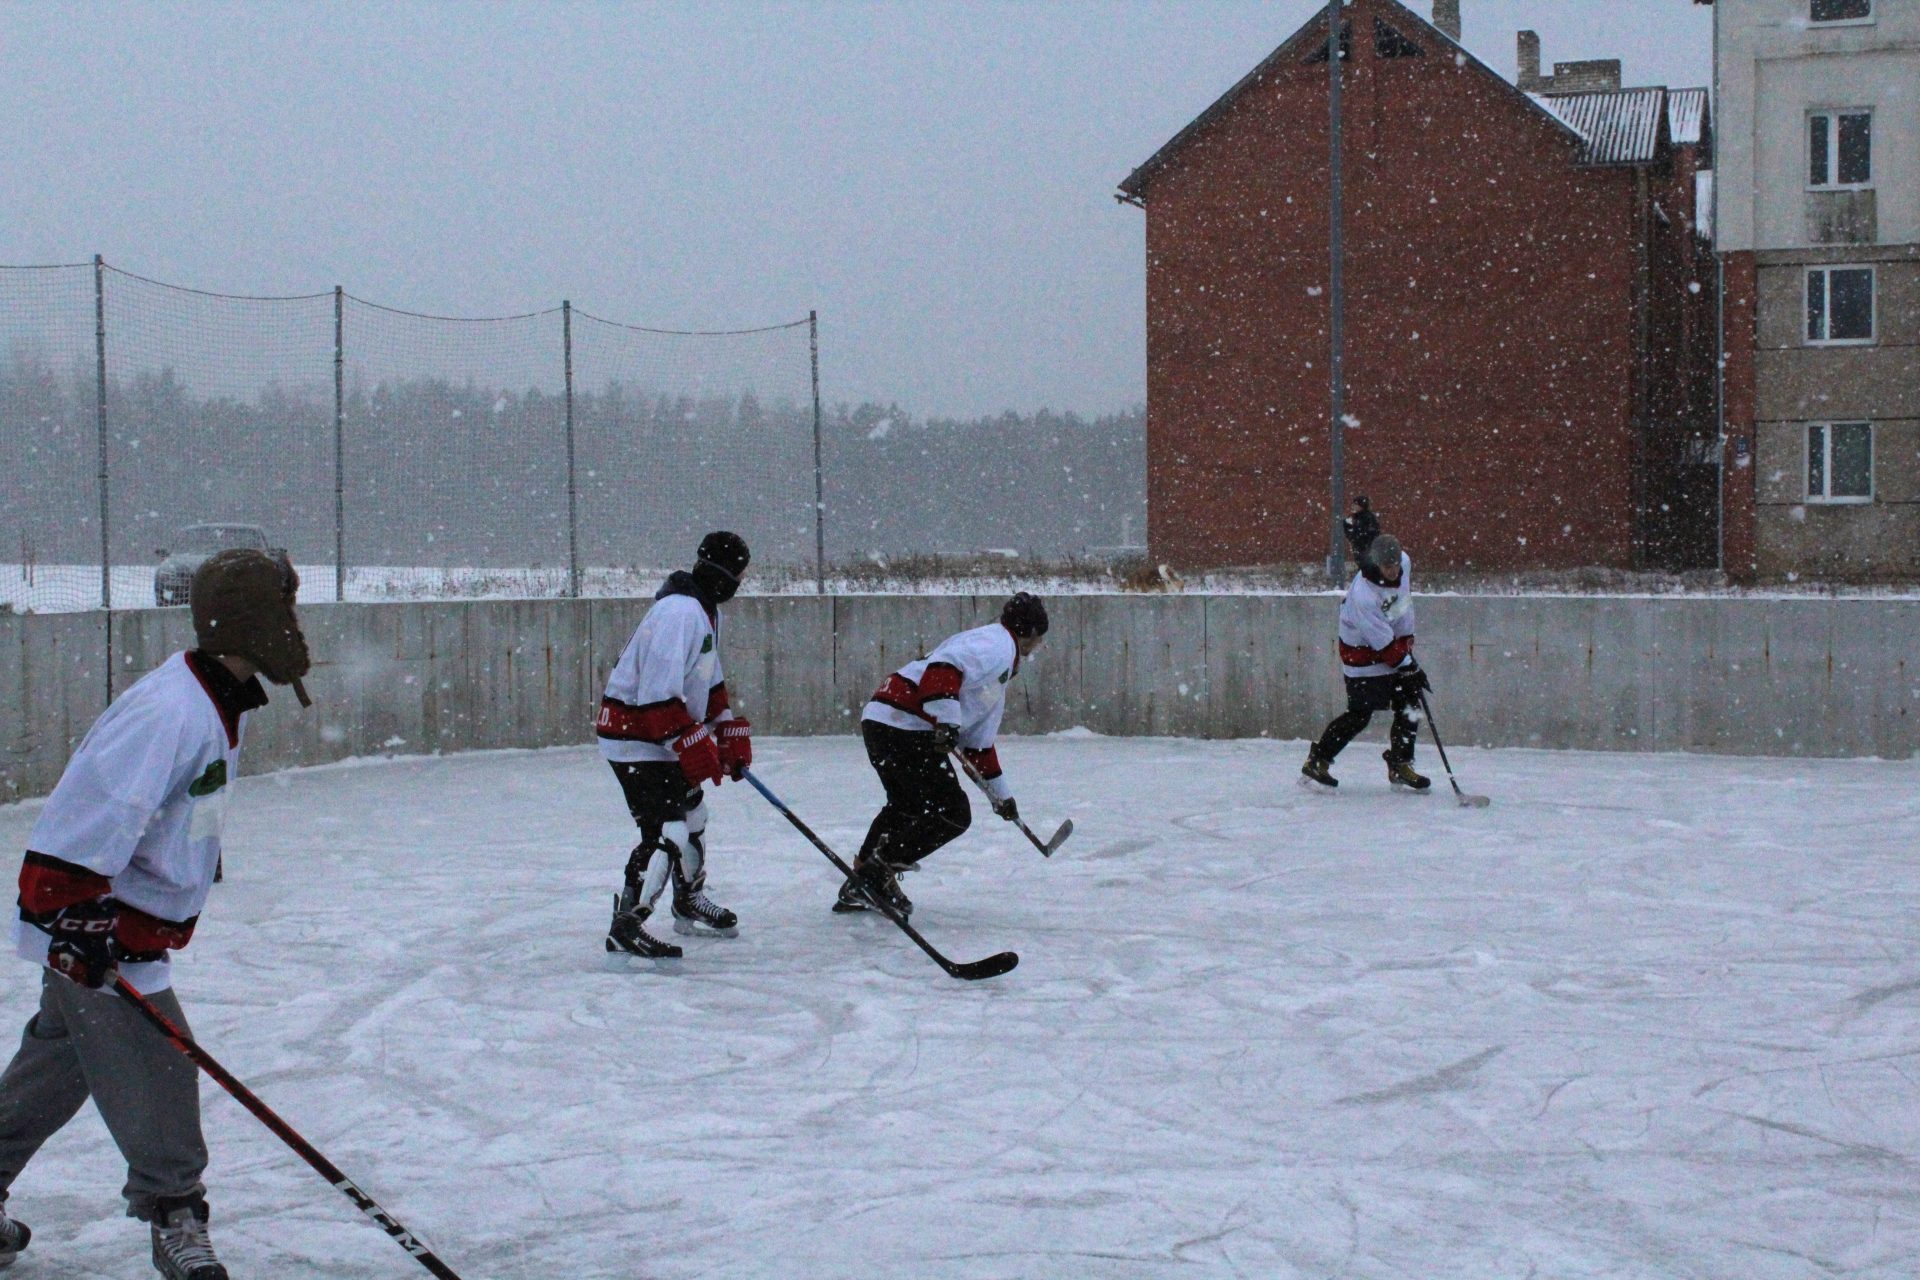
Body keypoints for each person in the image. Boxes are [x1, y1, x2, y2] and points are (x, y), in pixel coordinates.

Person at [0, 548, 311, 1280]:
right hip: (101, 929)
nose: (294, 626)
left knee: (55, 1069)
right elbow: (94, 810)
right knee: (159, 1062)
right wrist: (77, 921)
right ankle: (175, 1211)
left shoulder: (214, 698)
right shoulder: (170, 711)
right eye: (283, 610)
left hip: (117, 923)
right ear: (254, 622)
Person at [838, 592, 1049, 918]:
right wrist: (947, 719)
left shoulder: (996, 669)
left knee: (907, 807)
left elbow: (978, 748)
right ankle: (873, 877)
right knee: (951, 813)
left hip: (883, 720)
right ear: (1031, 634)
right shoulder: (997, 644)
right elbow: (945, 667)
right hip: (904, 724)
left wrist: (1001, 797)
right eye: (1039, 640)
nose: (1038, 648)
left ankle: (862, 878)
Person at [597, 532, 754, 964]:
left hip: (659, 736)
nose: (740, 581)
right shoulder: (679, 612)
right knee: (668, 830)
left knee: (693, 816)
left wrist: (724, 727)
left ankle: (688, 900)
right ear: (725, 572)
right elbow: (655, 694)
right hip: (635, 739)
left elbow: (707, 679)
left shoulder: (705, 610)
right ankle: (627, 926)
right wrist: (687, 739)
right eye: (740, 573)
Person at [1301, 532, 1432, 792]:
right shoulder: (1364, 595)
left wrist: (1407, 653)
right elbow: (1382, 643)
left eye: (1395, 564)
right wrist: (1409, 665)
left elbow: (1400, 607)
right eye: (1387, 566)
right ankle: (1318, 761)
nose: (1393, 570)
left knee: (1410, 704)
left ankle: (1400, 764)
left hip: (1392, 646)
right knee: (1360, 714)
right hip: (1361, 654)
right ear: (1376, 563)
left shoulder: (1404, 563)